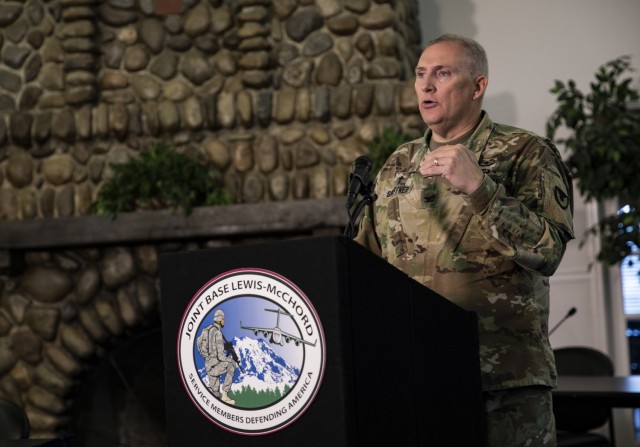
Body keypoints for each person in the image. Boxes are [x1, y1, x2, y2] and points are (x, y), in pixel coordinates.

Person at [355, 34, 574, 446]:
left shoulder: (525, 152)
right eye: (421, 74)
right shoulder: (396, 166)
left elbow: (548, 251)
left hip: (504, 382)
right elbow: (365, 267)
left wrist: (480, 187)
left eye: (442, 73)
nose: (426, 85)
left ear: (477, 86)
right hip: (418, 379)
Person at [202, 309, 238, 405]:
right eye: (223, 319)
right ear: (220, 320)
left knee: (215, 395)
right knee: (231, 365)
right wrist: (231, 360)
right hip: (215, 367)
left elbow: (208, 347)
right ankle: (225, 395)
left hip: (208, 365)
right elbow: (221, 356)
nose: (224, 321)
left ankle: (214, 392)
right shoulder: (218, 333)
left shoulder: (207, 330)